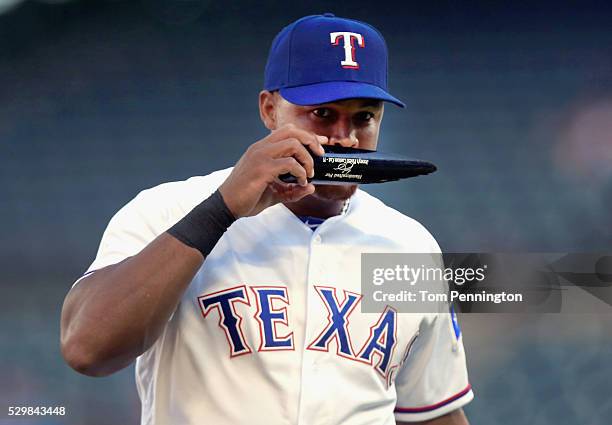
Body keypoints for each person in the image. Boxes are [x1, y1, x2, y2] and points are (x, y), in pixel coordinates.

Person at [60, 13, 473, 425]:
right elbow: (87, 349)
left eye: (364, 117)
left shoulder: (407, 243)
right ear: (270, 109)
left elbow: (433, 411)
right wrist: (221, 211)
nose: (345, 138)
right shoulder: (169, 209)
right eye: (323, 114)